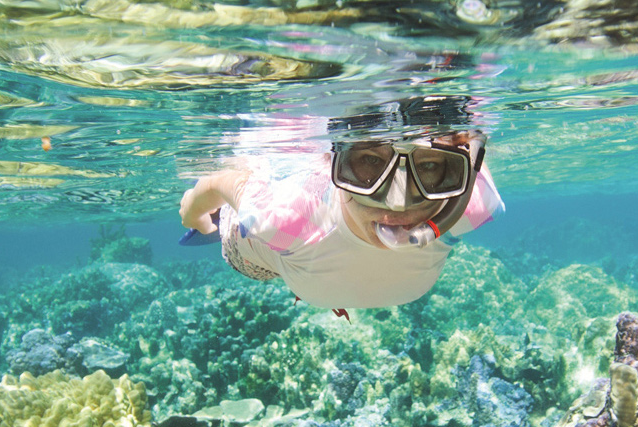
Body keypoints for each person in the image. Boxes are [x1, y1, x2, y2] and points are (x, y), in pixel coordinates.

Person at [178, 96, 503, 314]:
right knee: (251, 192)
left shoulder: (467, 205)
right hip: (258, 256)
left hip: (304, 265)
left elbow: (472, 150)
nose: (398, 203)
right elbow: (220, 181)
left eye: (431, 167)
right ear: (332, 162)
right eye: (369, 164)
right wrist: (195, 215)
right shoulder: (282, 218)